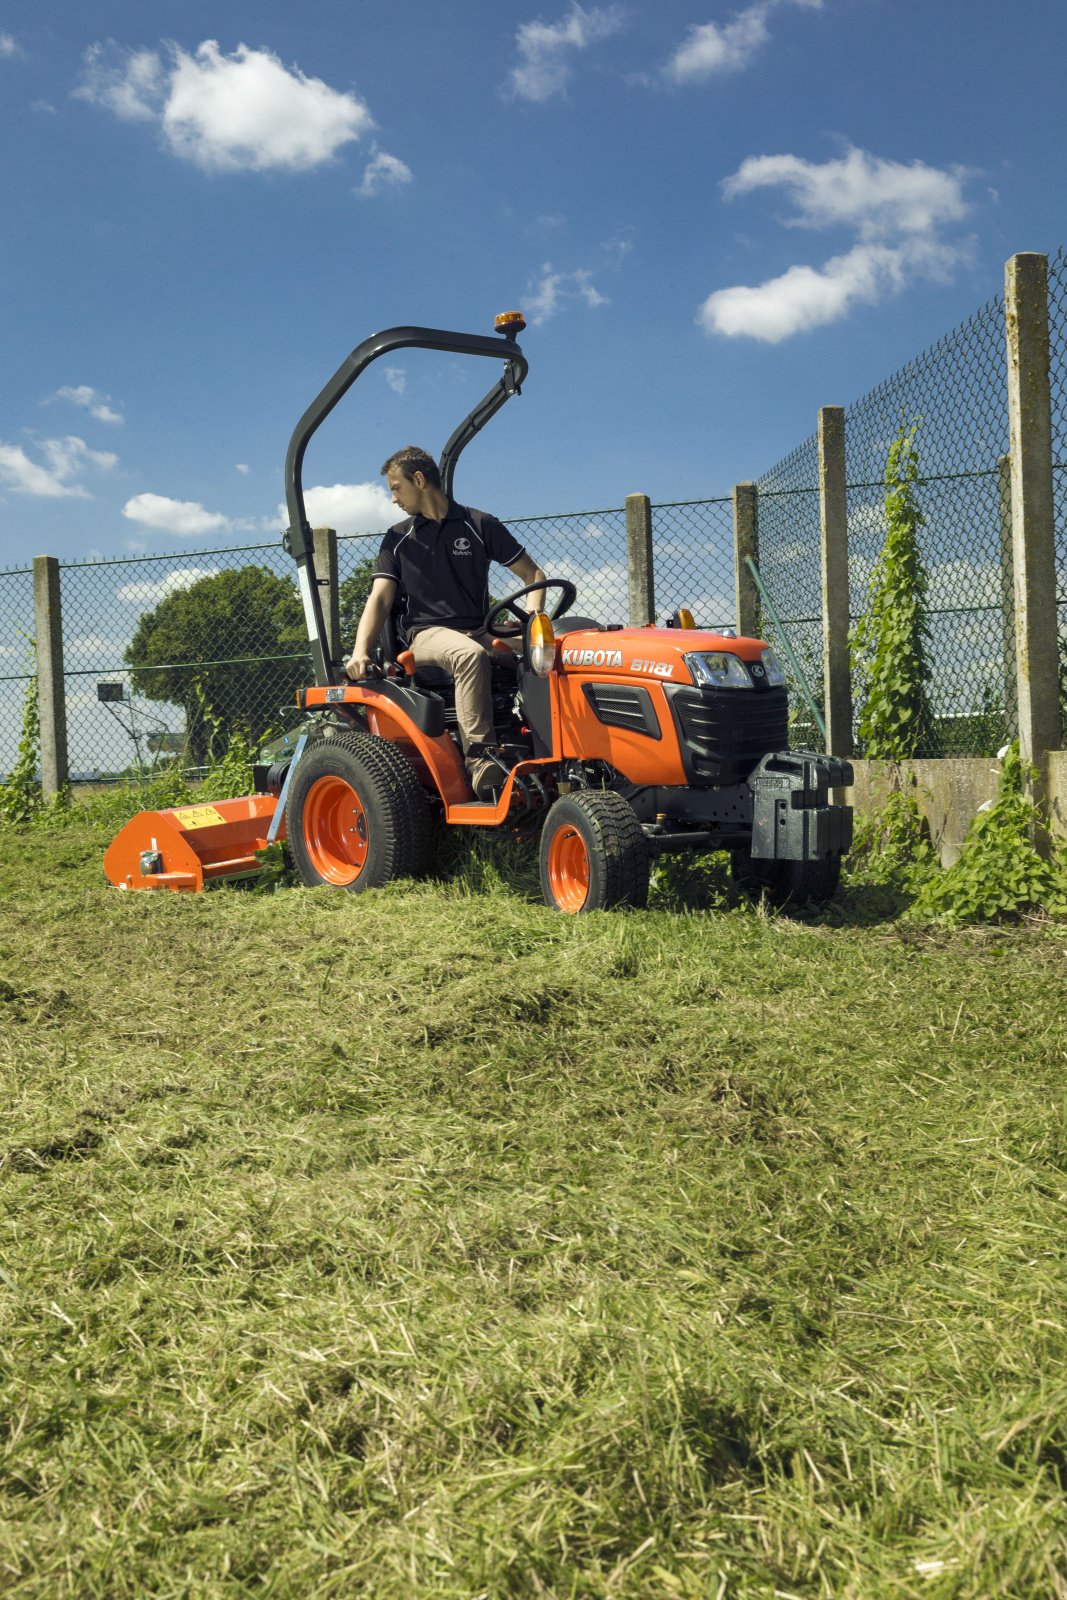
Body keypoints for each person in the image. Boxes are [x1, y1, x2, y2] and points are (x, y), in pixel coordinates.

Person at [342, 446, 546, 800]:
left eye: (396, 488)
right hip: (427, 635)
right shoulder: (398, 538)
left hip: (479, 628)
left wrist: (532, 620)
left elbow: (533, 574)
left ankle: (550, 751)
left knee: (551, 649)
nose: (393, 499)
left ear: (419, 480)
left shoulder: (480, 524)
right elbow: (379, 598)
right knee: (468, 655)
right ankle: (482, 762)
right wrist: (360, 652)